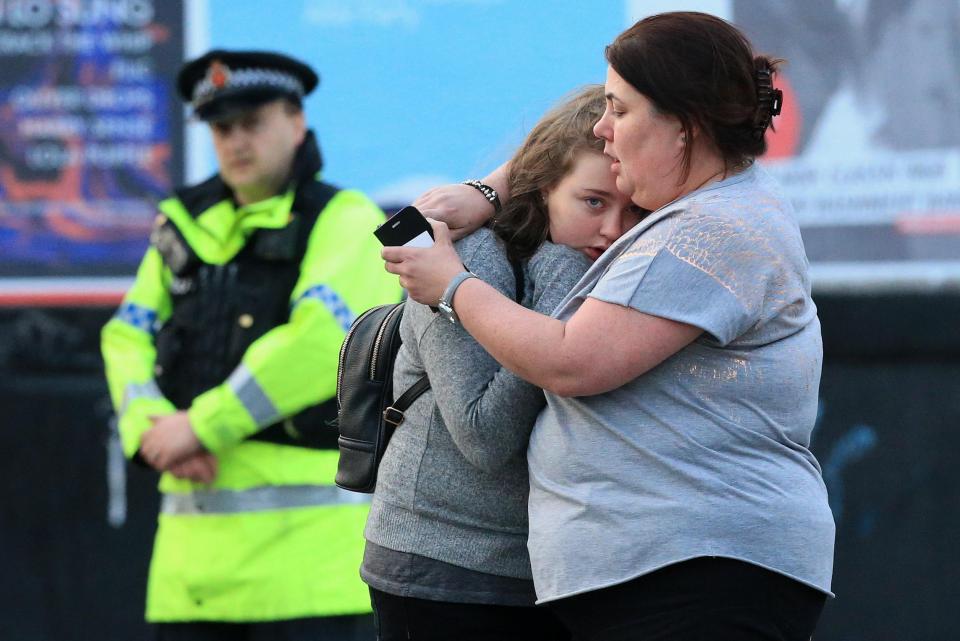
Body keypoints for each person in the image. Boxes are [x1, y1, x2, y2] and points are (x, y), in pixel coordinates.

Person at [384, 12, 835, 641]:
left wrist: (452, 288)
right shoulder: (708, 203)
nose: (603, 127)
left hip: (697, 572)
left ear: (684, 127)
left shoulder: (709, 230)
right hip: (669, 571)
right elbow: (572, 159)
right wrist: (490, 191)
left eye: (619, 112)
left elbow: (572, 361)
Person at [101, 49, 401, 640]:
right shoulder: (180, 225)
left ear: (296, 123)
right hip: (190, 586)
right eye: (222, 128)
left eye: (252, 123)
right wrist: (150, 431)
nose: (236, 141)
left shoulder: (343, 218)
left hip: (313, 579)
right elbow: (125, 335)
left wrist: (201, 427)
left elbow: (321, 343)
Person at [362, 85, 645, 641]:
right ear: (542, 191)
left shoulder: (622, 270)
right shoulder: (468, 257)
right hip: (445, 571)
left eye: (633, 208)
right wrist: (564, 300)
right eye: (592, 202)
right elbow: (482, 437)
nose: (614, 229)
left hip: (555, 571)